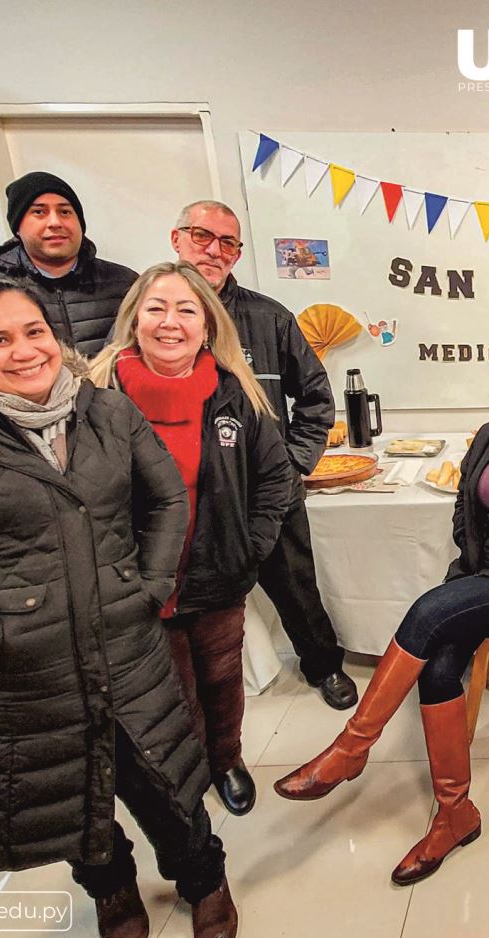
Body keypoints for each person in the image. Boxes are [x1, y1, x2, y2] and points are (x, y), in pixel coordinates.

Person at [0, 278, 238, 938]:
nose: (23, 350)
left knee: (164, 780)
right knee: (70, 791)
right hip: (21, 666)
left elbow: (166, 502)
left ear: (54, 338)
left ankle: (204, 879)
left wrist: (150, 584)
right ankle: (111, 886)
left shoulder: (106, 414)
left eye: (33, 331)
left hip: (125, 644)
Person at [274, 346, 489, 885]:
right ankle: (456, 815)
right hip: (477, 574)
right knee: (438, 664)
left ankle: (351, 747)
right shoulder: (486, 438)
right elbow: (464, 504)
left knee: (427, 612)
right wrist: (469, 545)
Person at [91, 261, 292, 817]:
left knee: (222, 678)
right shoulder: (95, 397)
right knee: (171, 690)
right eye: (157, 308)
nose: (171, 322)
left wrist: (251, 544)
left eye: (187, 310)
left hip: (216, 573)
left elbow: (276, 476)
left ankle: (226, 760)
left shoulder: (234, 394)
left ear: (207, 323)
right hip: (134, 581)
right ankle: (188, 770)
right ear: (134, 319)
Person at [170, 201, 358, 711]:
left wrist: (294, 463)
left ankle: (324, 666)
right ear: (177, 239)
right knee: (191, 599)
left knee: (296, 585)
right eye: (202, 236)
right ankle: (199, 697)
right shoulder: (152, 316)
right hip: (183, 492)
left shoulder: (268, 317)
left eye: (227, 242)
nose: (214, 250)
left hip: (266, 488)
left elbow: (317, 397)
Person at [0, 171, 138, 356]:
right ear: (17, 227)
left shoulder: (125, 283)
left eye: (65, 212)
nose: (55, 222)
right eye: (39, 212)